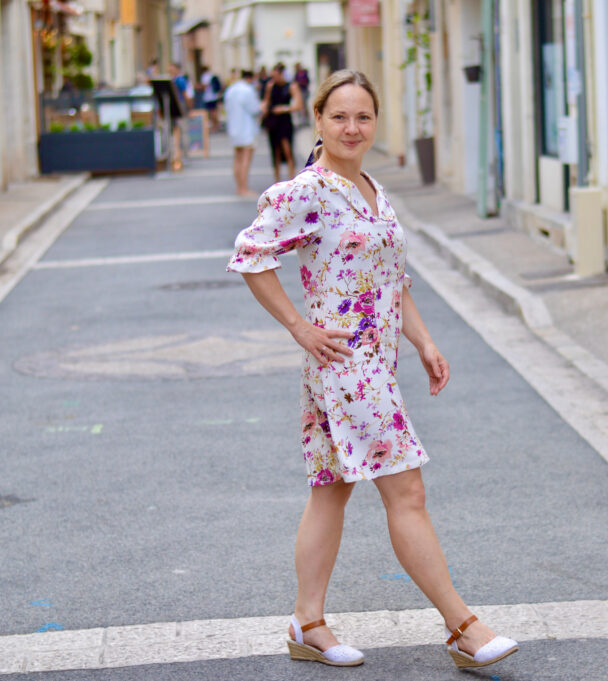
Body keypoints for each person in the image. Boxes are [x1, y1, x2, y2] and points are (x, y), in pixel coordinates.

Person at [226, 69, 519, 670]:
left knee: (330, 492)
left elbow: (390, 278)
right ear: (318, 121)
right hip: (345, 368)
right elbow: (250, 257)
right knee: (407, 491)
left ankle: (307, 623)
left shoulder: (371, 190)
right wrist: (299, 327)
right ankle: (463, 626)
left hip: (373, 366)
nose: (352, 127)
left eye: (363, 116)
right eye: (340, 117)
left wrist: (424, 342)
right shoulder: (306, 191)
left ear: (376, 122)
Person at [261, 63, 303, 182]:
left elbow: (298, 104)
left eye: (275, 75)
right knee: (275, 150)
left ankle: (291, 178)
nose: (274, 79)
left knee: (287, 149)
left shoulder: (291, 86)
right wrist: (264, 109)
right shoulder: (271, 85)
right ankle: (277, 180)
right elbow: (267, 100)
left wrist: (284, 109)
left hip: (284, 120)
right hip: (273, 120)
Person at [224, 69, 262, 197]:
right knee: (246, 158)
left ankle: (238, 187)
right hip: (247, 128)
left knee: (237, 158)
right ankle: (244, 187)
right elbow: (255, 109)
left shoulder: (230, 90)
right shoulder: (248, 91)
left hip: (234, 128)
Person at [200, 64, 222, 130]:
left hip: (209, 97)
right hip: (214, 96)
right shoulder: (211, 75)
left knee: (212, 112)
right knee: (215, 111)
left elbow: (204, 86)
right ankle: (217, 124)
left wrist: (199, 86)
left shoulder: (205, 76)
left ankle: (214, 125)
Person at [293, 61, 311, 127]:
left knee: (304, 106)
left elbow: (307, 81)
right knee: (300, 106)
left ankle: (306, 120)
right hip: (299, 91)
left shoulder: (304, 73)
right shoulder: (296, 74)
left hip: (304, 91)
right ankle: (301, 120)